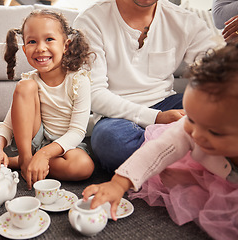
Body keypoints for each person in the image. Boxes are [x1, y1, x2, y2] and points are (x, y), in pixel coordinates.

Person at [82, 43, 238, 240]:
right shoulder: (189, 130)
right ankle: (201, 178)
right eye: (190, 118)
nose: (196, 135)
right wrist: (118, 184)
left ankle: (202, 181)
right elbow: (157, 149)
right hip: (216, 166)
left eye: (214, 131)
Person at [73, 0, 217, 173]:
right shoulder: (91, 20)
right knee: (111, 144)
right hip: (115, 117)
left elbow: (217, 70)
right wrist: (157, 118)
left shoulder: (185, 20)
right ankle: (188, 156)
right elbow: (93, 93)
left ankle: (158, 162)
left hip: (167, 102)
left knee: (222, 113)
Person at [0, 9, 95, 190]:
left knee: (83, 167)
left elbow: (77, 131)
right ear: (25, 49)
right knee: (25, 86)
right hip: (34, 140)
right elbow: (10, 122)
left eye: (49, 39)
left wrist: (44, 155)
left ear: (66, 45)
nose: (40, 48)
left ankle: (19, 163)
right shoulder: (30, 81)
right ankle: (26, 160)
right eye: (32, 41)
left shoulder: (79, 80)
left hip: (65, 146)